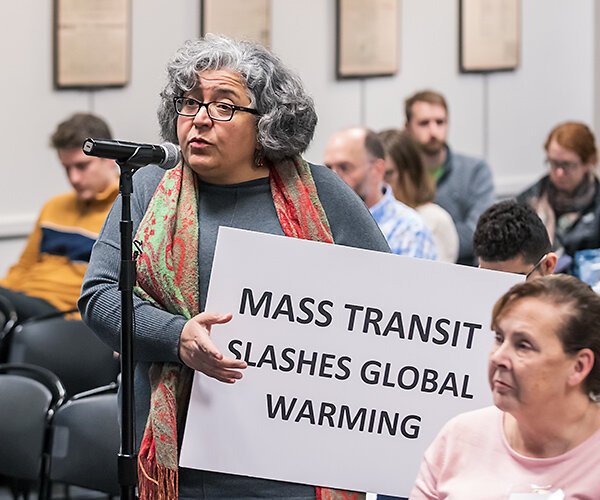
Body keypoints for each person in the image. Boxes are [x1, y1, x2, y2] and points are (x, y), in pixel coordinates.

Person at [79, 35, 390, 499]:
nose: (200, 119)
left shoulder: (322, 194)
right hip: (174, 456)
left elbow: (386, 308)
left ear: (266, 121)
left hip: (290, 459)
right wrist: (178, 337)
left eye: (224, 106)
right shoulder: (147, 187)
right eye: (190, 103)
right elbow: (100, 296)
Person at [410, 275, 600, 499]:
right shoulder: (459, 437)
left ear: (579, 367)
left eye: (523, 345)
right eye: (499, 338)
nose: (499, 357)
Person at [474, 199, 600, 416]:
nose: (502, 295)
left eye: (513, 282)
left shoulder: (585, 319)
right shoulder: (463, 307)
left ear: (548, 265)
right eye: (488, 278)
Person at [0, 113, 118, 323]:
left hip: (64, 315)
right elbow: (23, 267)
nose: (74, 178)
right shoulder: (54, 207)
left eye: (81, 166)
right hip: (23, 302)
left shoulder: (127, 209)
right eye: (67, 168)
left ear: (108, 158)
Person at [518, 121, 600, 266]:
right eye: (553, 163)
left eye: (567, 165)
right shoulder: (528, 201)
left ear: (588, 162)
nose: (559, 172)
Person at [403, 90, 494, 266]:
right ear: (407, 128)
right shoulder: (400, 174)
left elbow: (480, 233)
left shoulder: (475, 170)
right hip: (412, 266)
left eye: (440, 122)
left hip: (465, 269)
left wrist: (424, 237)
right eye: (424, 123)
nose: (433, 131)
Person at [324, 127, 437, 260]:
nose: (334, 176)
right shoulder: (319, 220)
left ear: (377, 170)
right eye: (328, 168)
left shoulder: (410, 231)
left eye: (345, 167)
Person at [378, 129, 458, 263]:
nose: (380, 183)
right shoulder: (372, 215)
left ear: (410, 173)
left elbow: (438, 279)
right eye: (374, 174)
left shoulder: (435, 219)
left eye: (388, 174)